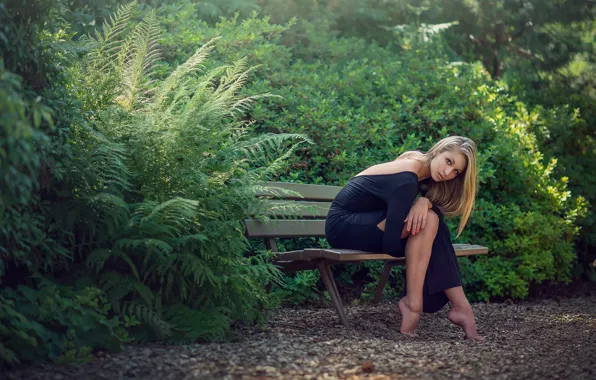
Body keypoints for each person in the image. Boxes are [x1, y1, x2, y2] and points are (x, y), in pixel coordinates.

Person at [325, 136, 482, 340]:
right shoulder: (407, 178)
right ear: (439, 150)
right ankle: (429, 305)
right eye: (448, 161)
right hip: (343, 226)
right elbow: (391, 244)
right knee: (430, 224)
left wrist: (425, 203)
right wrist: (424, 235)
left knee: (432, 223)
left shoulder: (419, 167)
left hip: (364, 221)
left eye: (455, 171)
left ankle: (449, 307)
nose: (447, 173)